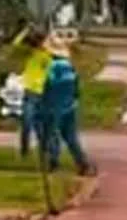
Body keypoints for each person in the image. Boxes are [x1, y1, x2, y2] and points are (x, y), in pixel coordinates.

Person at [38, 38, 97, 176]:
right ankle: (82, 163)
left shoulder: (50, 66)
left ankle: (53, 163)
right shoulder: (69, 67)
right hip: (69, 105)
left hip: (53, 105)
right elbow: (76, 89)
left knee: (53, 134)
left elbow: (45, 85)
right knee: (71, 137)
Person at [18, 30, 55, 159]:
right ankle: (25, 149)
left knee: (39, 123)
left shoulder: (48, 57)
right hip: (30, 91)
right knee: (27, 122)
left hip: (42, 92)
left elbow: (50, 72)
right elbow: (16, 45)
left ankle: (44, 148)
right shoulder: (29, 53)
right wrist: (25, 31)